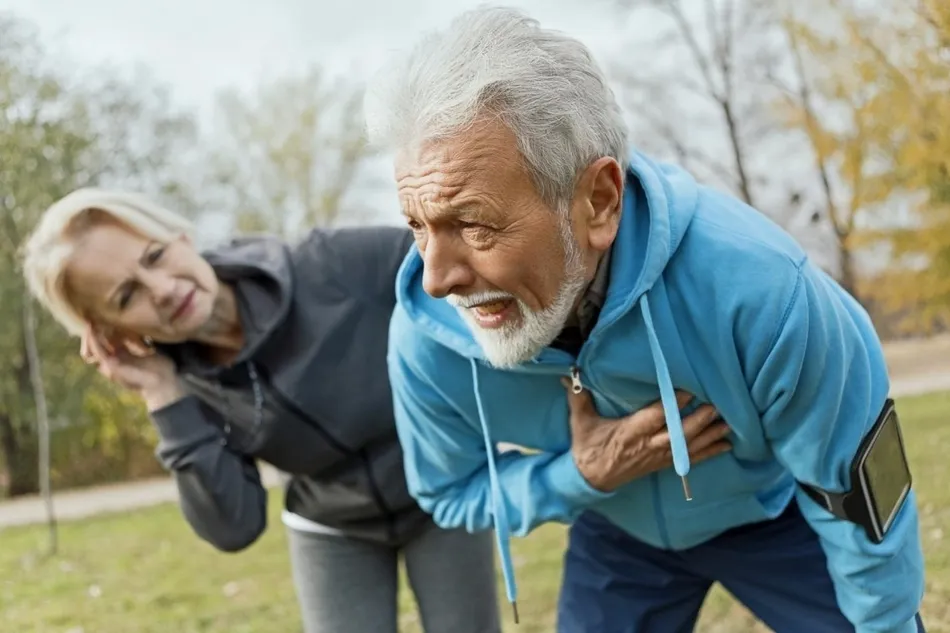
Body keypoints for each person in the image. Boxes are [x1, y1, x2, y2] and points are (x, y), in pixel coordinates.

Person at [364, 6, 927, 633]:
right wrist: (579, 476)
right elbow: (448, 492)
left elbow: (857, 486)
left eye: (473, 224)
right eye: (418, 225)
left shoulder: (764, 290)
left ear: (599, 200)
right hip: (619, 534)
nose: (437, 279)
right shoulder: (426, 335)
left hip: (776, 514)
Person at [21, 188, 502, 633]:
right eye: (126, 296)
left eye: (156, 256)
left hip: (442, 495)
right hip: (331, 527)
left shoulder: (332, 264)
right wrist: (164, 396)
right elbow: (235, 527)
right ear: (111, 333)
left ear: (182, 238)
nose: (162, 289)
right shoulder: (186, 391)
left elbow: (467, 279)